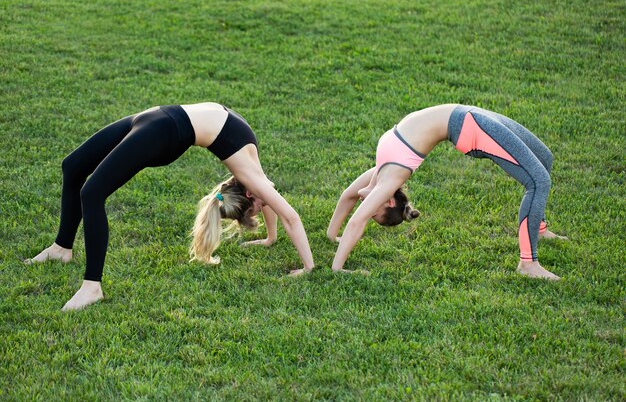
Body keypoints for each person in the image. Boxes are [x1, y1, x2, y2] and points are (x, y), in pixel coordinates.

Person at [26, 102, 315, 310]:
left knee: (91, 193)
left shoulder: (250, 172)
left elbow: (280, 208)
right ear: (251, 196)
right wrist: (287, 250)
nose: (268, 202)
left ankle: (92, 287)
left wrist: (292, 255)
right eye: (260, 207)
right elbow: (287, 214)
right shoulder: (252, 173)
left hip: (165, 132)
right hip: (157, 118)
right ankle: (62, 248)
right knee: (72, 166)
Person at [327, 104, 567, 279]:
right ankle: (528, 263)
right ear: (390, 201)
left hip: (468, 115)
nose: (366, 209)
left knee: (544, 158)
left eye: (372, 213)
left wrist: (332, 241)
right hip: (470, 125)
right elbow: (356, 210)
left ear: (388, 202)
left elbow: (351, 202)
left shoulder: (382, 175)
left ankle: (536, 230)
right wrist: (337, 248)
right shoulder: (389, 176)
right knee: (538, 181)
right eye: (372, 213)